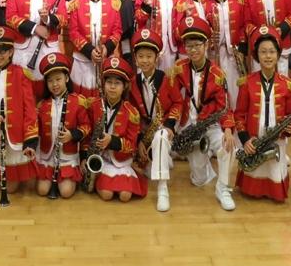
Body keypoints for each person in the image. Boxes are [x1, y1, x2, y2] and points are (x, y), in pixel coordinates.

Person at [170, 16, 237, 211]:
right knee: (199, 180)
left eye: (197, 45)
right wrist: (172, 126)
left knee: (228, 146)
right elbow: (172, 99)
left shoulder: (217, 74)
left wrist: (228, 130)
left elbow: (225, 106)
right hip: (190, 127)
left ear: (206, 45)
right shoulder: (178, 69)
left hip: (211, 125)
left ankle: (223, 188)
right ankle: (205, 165)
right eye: (189, 46)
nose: (193, 50)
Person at [233, 25, 291, 202]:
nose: (268, 56)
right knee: (252, 186)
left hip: (276, 140)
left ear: (278, 54)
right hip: (254, 141)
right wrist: (246, 140)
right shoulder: (246, 83)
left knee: (275, 177)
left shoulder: (288, 85)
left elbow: (290, 115)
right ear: (256, 55)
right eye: (263, 52)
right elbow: (239, 115)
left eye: (272, 51)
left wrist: (287, 130)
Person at [0, 26, 39, 192]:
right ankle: (3, 170)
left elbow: (30, 110)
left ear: (11, 52)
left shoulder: (22, 75)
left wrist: (30, 140)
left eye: (3, 50)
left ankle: (17, 170)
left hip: (17, 139)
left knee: (10, 189)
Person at [127, 28, 181, 211]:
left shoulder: (167, 79)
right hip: (145, 131)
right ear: (135, 59)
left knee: (161, 137)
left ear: (157, 57)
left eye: (149, 56)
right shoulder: (132, 83)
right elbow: (132, 114)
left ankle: (162, 189)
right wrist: (139, 140)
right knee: (146, 172)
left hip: (164, 126)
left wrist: (170, 125)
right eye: (140, 56)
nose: (145, 60)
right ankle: (162, 159)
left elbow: (177, 103)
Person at [85, 56, 146, 202]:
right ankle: (97, 178)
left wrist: (111, 141)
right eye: (109, 82)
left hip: (121, 161)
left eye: (117, 83)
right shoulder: (94, 105)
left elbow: (131, 146)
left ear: (125, 86)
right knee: (107, 195)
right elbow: (88, 135)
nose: (112, 87)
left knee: (125, 196)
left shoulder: (132, 112)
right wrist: (84, 157)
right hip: (101, 159)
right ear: (104, 83)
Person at [34, 53, 91, 199]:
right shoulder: (42, 105)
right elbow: (36, 130)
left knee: (66, 192)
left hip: (67, 156)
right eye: (50, 81)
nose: (54, 84)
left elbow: (86, 126)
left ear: (66, 78)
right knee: (42, 190)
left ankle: (71, 177)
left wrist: (72, 135)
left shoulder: (78, 101)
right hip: (48, 156)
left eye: (58, 79)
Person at [68, 0, 121, 97]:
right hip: (82, 61)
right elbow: (73, 32)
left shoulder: (113, 3)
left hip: (106, 59)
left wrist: (106, 48)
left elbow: (117, 31)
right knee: (81, 99)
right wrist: (89, 50)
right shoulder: (76, 4)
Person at [204, 0, 245, 108]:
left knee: (234, 90)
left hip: (234, 54)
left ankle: (234, 119)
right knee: (214, 90)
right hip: (213, 54)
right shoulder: (204, 3)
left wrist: (241, 44)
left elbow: (244, 24)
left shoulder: (238, 0)